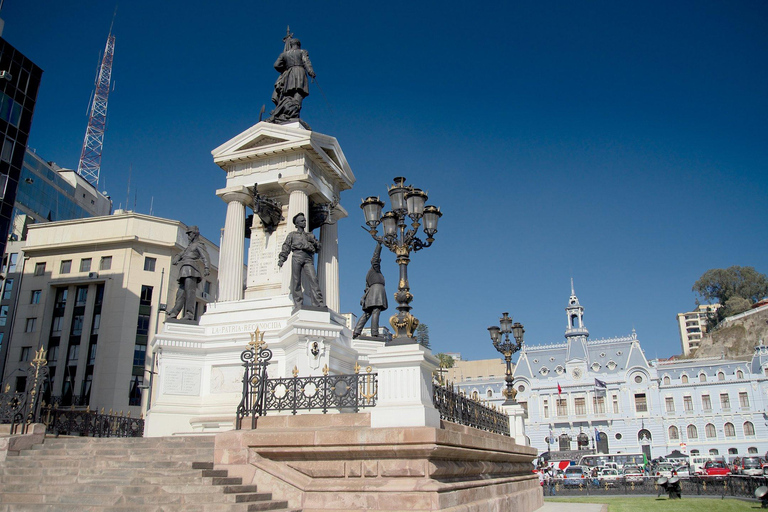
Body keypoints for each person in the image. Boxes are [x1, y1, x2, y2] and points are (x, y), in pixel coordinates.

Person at [278, 213, 324, 308]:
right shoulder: (292, 235)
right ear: (297, 224)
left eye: (305, 220)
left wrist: (315, 243)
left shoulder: (310, 235)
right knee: (296, 281)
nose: (304, 222)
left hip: (308, 258)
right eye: (302, 221)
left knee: (314, 279)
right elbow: (286, 247)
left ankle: (318, 303)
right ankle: (298, 303)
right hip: (297, 256)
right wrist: (282, 258)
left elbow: (319, 248)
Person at [267, 36, 315, 124]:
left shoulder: (284, 54)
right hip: (300, 72)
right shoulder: (302, 52)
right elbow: (306, 62)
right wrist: (311, 72)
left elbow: (276, 65)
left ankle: (287, 113)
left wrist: (285, 68)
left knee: (288, 95)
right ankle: (293, 114)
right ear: (298, 45)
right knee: (298, 94)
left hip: (288, 75)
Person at [166, 226, 210, 321]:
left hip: (192, 270)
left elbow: (205, 257)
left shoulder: (199, 245)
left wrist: (207, 268)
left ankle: (189, 314)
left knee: (190, 293)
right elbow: (180, 254)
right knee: (180, 294)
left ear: (195, 234)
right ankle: (174, 312)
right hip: (184, 270)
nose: (188, 236)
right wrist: (176, 258)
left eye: (189, 234)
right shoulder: (189, 247)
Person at [353, 242, 388, 338]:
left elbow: (366, 288)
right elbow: (375, 258)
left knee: (367, 313)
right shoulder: (374, 268)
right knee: (376, 311)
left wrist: (364, 298)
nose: (379, 262)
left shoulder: (372, 273)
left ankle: (357, 331)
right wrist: (379, 246)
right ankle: (375, 333)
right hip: (376, 292)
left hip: (371, 293)